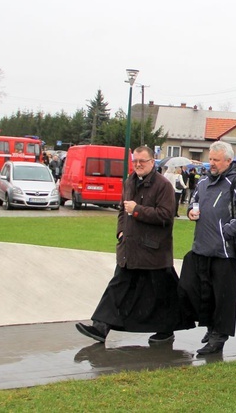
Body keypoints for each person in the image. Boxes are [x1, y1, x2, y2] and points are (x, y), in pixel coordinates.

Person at [75, 146, 193, 345]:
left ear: (152, 162)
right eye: (135, 161)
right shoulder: (129, 181)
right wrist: (120, 232)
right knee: (117, 287)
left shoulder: (163, 185)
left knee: (162, 293)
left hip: (153, 252)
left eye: (142, 161)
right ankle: (100, 327)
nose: (138, 165)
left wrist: (137, 210)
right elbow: (122, 210)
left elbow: (166, 216)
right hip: (129, 249)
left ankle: (166, 330)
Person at [178, 141, 236, 355]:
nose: (211, 163)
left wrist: (228, 230)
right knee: (199, 291)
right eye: (210, 159)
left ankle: (219, 336)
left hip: (224, 252)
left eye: (216, 160)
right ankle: (211, 327)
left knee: (223, 297)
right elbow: (193, 203)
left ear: (228, 161)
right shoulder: (203, 182)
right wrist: (191, 213)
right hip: (201, 248)